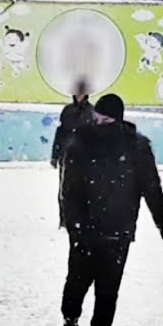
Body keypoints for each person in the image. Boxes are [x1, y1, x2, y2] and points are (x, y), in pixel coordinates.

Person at [59, 93, 163, 326]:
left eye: (107, 119)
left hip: (117, 231)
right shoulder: (80, 144)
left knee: (106, 289)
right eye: (99, 118)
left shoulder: (136, 148)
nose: (102, 122)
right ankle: (71, 323)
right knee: (78, 283)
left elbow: (151, 189)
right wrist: (74, 225)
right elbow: (69, 191)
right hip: (87, 231)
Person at [50, 80, 96, 229]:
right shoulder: (67, 110)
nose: (79, 95)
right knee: (64, 189)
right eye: (77, 92)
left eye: (82, 92)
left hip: (85, 157)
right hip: (67, 155)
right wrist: (55, 155)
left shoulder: (92, 112)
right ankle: (64, 219)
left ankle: (82, 219)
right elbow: (60, 133)